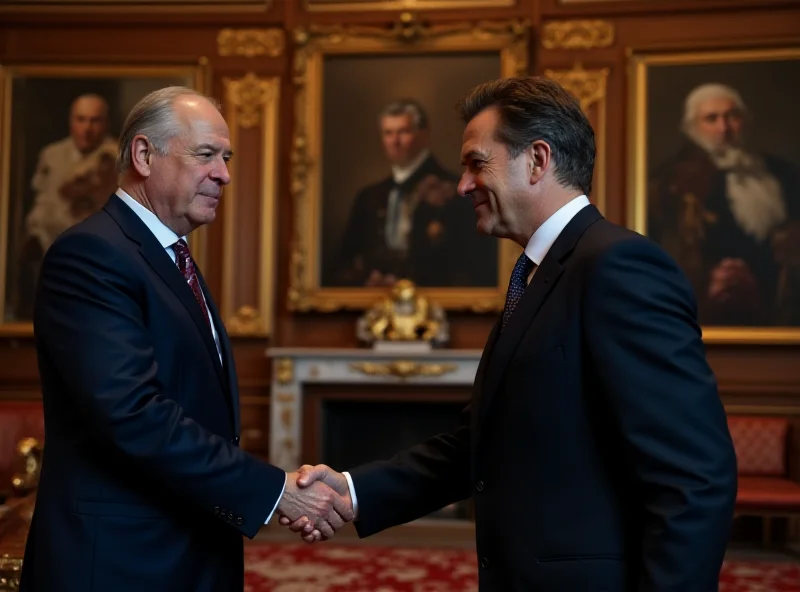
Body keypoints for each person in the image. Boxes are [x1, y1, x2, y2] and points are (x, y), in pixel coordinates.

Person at [284, 76, 738, 590]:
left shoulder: (618, 267)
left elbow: (695, 478)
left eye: (478, 163)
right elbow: (481, 443)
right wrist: (350, 492)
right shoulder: (539, 273)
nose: (462, 185)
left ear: (538, 160)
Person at [21, 86, 352, 592]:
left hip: (185, 550)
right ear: (144, 155)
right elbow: (133, 414)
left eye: (226, 157)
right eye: (206, 155)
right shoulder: (91, 254)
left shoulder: (172, 257)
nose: (224, 173)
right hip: (120, 563)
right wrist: (274, 491)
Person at [648, 83, 800, 326]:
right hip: (709, 305)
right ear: (692, 128)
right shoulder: (669, 182)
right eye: (712, 119)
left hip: (775, 302)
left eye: (732, 116)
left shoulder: (780, 172)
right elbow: (666, 250)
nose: (724, 128)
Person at [333, 98, 495, 287]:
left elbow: (477, 268)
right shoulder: (368, 197)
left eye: (403, 132)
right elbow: (343, 263)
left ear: (424, 134)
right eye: (388, 133)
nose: (395, 141)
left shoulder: (459, 192)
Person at [14, 94, 119, 321]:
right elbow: (41, 205)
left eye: (95, 120)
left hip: (99, 260)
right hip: (53, 256)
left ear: (106, 123)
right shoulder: (51, 155)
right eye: (81, 119)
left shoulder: (118, 158)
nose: (87, 128)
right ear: (71, 121)